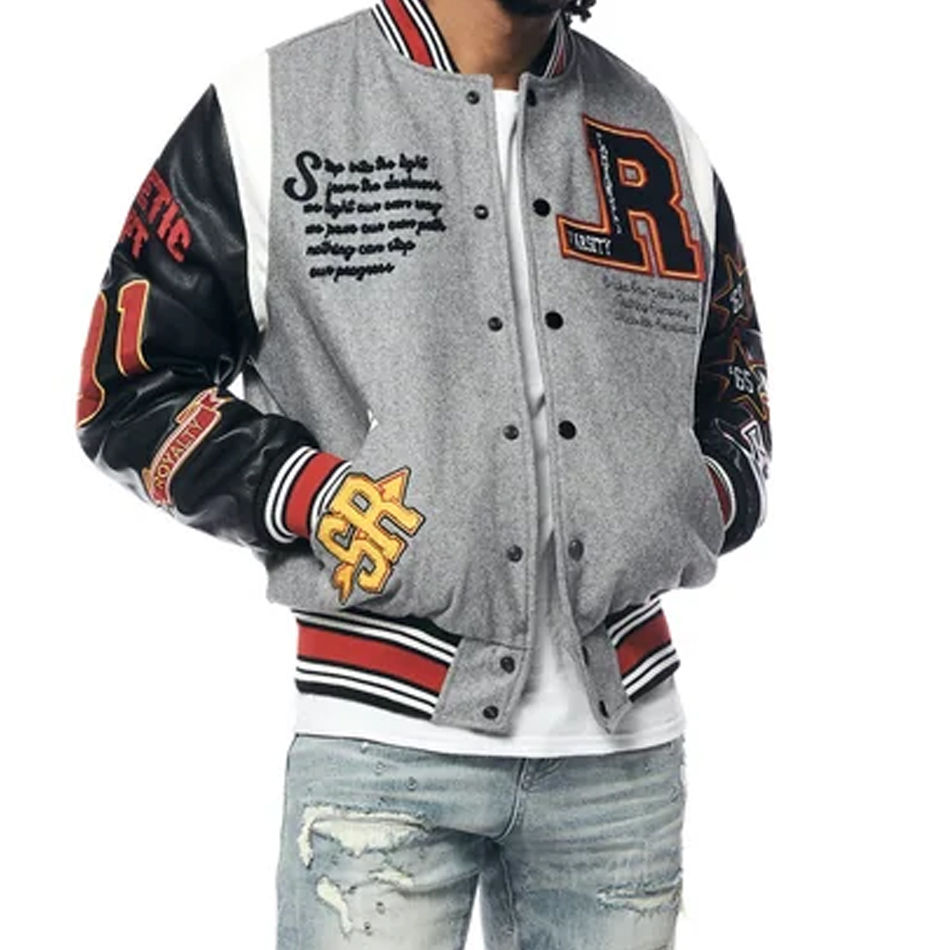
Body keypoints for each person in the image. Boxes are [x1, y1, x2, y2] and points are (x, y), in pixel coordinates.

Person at [74, 0, 771, 946]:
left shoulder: (654, 127)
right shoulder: (274, 107)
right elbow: (128, 387)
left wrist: (688, 499)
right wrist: (311, 493)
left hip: (625, 761)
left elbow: (734, 381)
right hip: (381, 753)